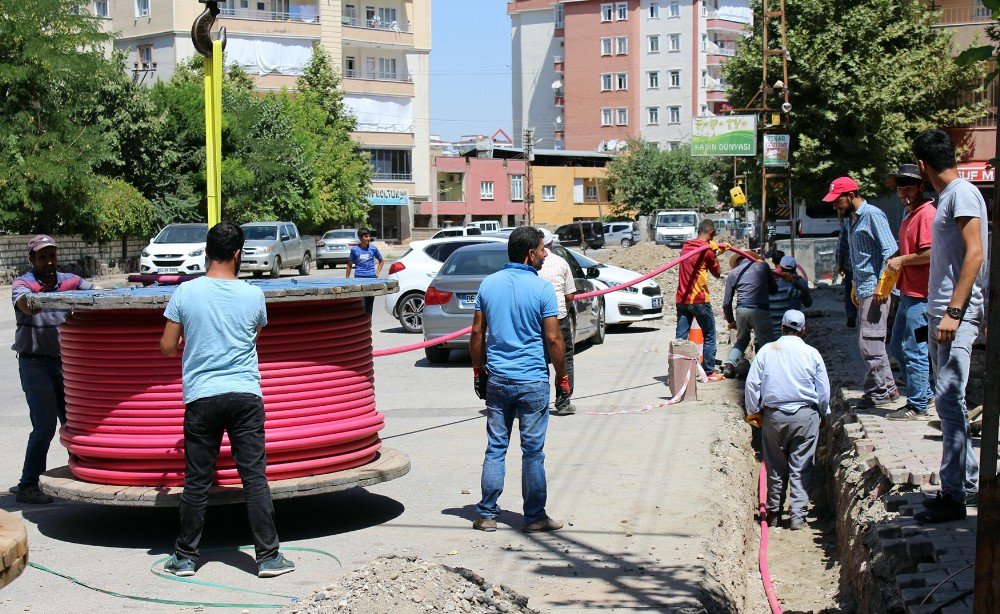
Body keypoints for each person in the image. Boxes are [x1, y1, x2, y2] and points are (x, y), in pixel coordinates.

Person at [160, 221, 294, 578]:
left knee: (196, 480)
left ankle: (186, 558)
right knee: (254, 478)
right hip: (245, 396)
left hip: (202, 398)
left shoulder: (186, 294)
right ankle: (268, 558)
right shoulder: (253, 295)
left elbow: (167, 346)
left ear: (207, 251)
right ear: (238, 254)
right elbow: (254, 334)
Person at [469, 226, 569, 533]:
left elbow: (476, 334)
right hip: (532, 382)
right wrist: (562, 377)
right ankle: (535, 517)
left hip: (498, 380)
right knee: (533, 451)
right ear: (529, 254)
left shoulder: (489, 284)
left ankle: (487, 515)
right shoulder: (541, 289)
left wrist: (478, 371)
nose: (545, 253)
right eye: (541, 249)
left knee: (496, 447)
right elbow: (553, 339)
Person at [911, 129, 986, 523]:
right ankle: (967, 483)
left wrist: (954, 313)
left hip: (954, 318)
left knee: (950, 401)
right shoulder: (947, 199)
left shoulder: (962, 194)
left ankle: (954, 495)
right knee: (949, 403)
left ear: (922, 165)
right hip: (941, 316)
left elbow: (975, 254)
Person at [12, 235, 97, 504]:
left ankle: (86, 474)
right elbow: (25, 303)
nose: (48, 262)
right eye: (42, 257)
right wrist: (47, 298)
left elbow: (98, 293)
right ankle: (28, 485)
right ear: (32, 260)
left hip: (65, 363)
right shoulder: (24, 283)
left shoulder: (69, 280)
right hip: (34, 362)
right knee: (45, 425)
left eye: (52, 256)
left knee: (74, 424)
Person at [744, 310, 830, 531]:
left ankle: (773, 514)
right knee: (801, 466)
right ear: (804, 330)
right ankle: (798, 516)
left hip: (774, 416)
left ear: (781, 328)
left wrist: (754, 411)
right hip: (805, 415)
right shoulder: (811, 353)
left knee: (774, 466)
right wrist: (822, 412)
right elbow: (823, 390)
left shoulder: (766, 351)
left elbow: (752, 385)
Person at [824, 176, 899, 407]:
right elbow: (858, 257)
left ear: (851, 195)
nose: (835, 205)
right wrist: (855, 283)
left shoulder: (873, 215)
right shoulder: (852, 220)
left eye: (838, 200)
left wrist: (882, 286)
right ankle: (886, 388)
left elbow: (891, 252)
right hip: (864, 288)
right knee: (870, 341)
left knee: (870, 342)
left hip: (876, 291)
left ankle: (881, 390)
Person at [884, 163, 934, 421]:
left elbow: (929, 253)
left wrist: (902, 261)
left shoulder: (926, 214)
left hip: (920, 295)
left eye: (908, 185)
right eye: (900, 186)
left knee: (915, 349)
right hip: (907, 293)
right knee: (897, 345)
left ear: (921, 187)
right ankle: (923, 393)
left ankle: (918, 404)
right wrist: (897, 256)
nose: (903, 190)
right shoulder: (909, 214)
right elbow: (907, 251)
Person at [675, 219, 727, 381]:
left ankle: (678, 372)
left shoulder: (686, 246)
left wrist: (717, 250)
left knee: (680, 337)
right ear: (711, 233)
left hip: (682, 299)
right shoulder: (707, 251)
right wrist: (715, 253)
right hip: (699, 300)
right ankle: (709, 371)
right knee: (710, 334)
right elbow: (717, 273)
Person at [537, 228, 578, 416]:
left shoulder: (528, 264)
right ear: (551, 243)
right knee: (564, 358)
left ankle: (539, 402)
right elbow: (570, 294)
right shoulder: (561, 263)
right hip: (559, 318)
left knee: (539, 360)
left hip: (535, 319)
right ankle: (563, 401)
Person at [721, 253, 778, 379]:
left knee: (741, 341)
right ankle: (767, 370)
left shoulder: (733, 273)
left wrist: (731, 321)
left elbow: (726, 303)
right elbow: (774, 289)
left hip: (741, 310)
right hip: (760, 310)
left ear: (738, 261)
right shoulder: (763, 266)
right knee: (766, 343)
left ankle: (730, 365)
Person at [767, 255, 813, 338]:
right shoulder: (801, 282)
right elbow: (808, 303)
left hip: (774, 326)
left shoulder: (775, 283)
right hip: (795, 325)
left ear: (780, 267)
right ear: (795, 267)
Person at [345, 228, 383, 315]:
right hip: (359, 278)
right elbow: (349, 265)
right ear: (360, 238)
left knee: (369, 304)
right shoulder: (354, 250)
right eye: (366, 236)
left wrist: (376, 274)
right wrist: (347, 279)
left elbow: (381, 261)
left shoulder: (373, 248)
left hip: (371, 278)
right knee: (360, 303)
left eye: (369, 236)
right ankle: (361, 324)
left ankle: (368, 324)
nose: (368, 238)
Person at [836, 217, 858, 328]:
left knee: (849, 291)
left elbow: (841, 245)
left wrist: (839, 263)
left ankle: (851, 314)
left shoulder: (847, 223)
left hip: (850, 267)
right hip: (863, 267)